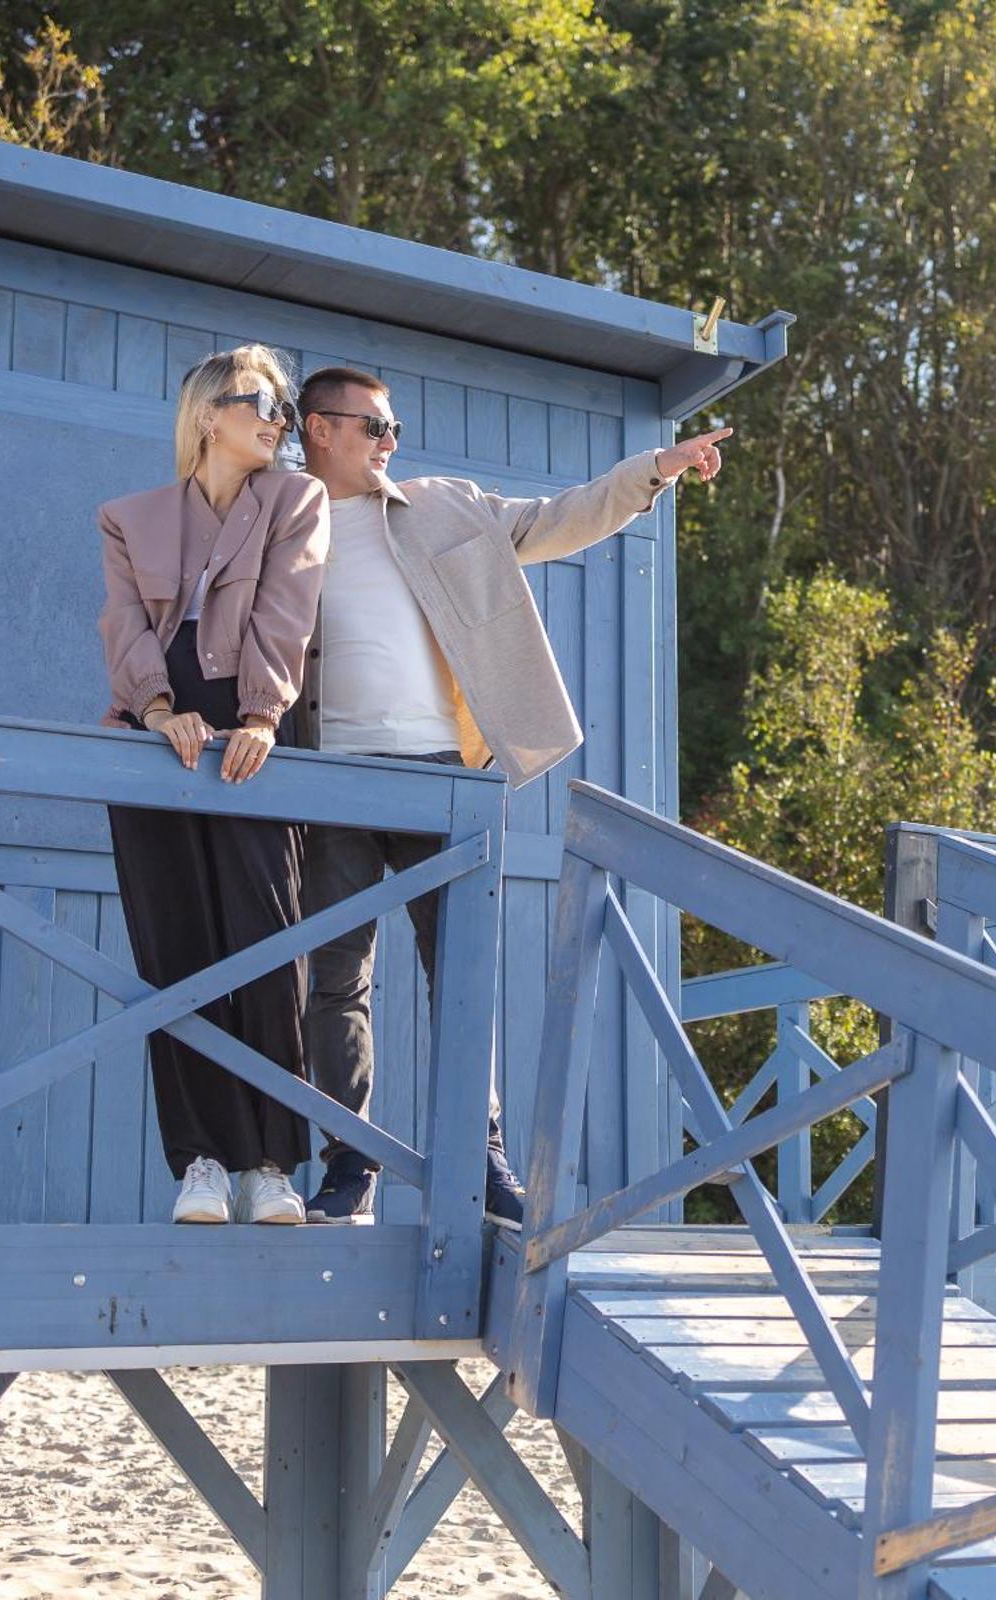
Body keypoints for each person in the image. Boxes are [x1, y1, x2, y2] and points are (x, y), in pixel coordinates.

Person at [291, 364, 732, 1223]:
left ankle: (481, 1161)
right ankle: (350, 1166)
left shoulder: (445, 505)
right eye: (374, 427)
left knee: (458, 972)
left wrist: (656, 468)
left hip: (441, 777)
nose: (391, 441)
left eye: (394, 428)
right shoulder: (280, 522)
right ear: (319, 429)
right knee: (334, 981)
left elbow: (557, 519)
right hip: (329, 774)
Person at [98, 344, 330, 1226]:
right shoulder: (128, 517)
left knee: (268, 945)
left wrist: (264, 715)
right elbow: (124, 623)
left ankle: (270, 1164)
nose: (278, 417)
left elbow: (287, 612)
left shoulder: (295, 500)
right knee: (175, 952)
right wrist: (157, 709)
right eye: (259, 401)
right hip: (154, 732)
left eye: (281, 402)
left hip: (251, 728)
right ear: (207, 414)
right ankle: (197, 1162)